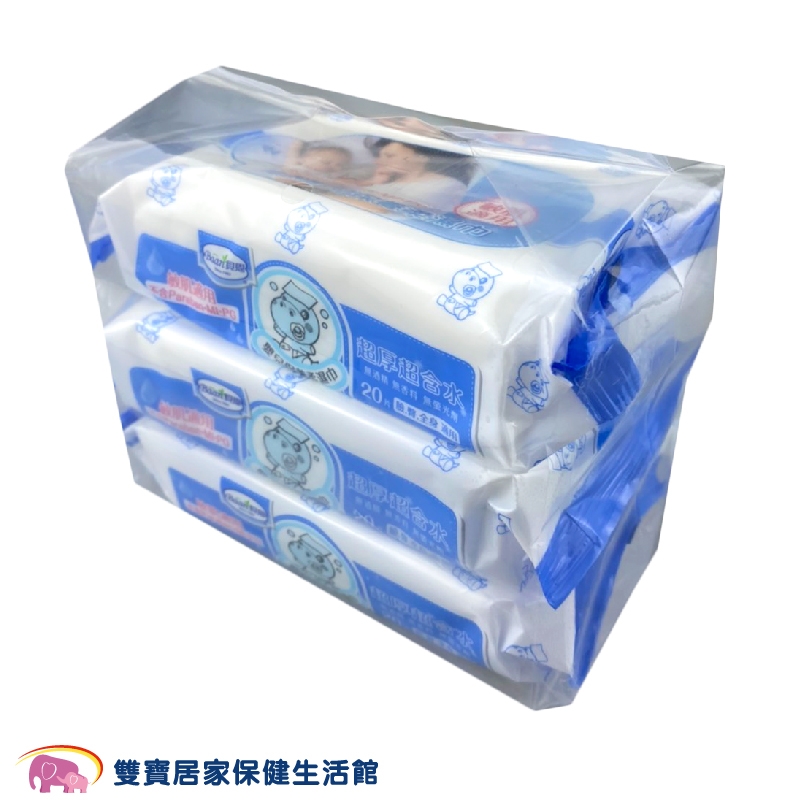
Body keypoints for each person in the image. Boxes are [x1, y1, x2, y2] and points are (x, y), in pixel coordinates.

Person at [359, 138, 473, 211]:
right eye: (378, 156)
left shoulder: (448, 186)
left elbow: (390, 210)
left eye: (389, 156)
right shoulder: (382, 181)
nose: (378, 161)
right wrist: (372, 183)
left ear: (421, 158)